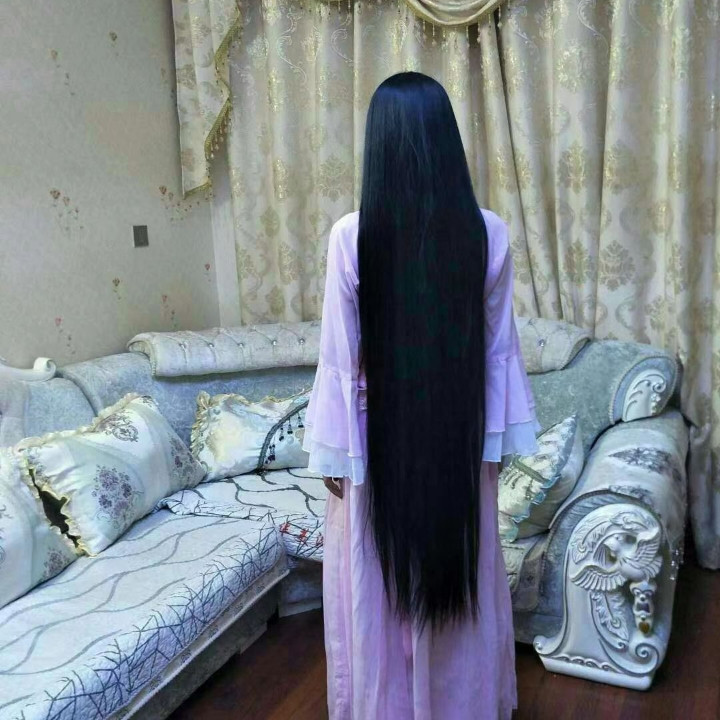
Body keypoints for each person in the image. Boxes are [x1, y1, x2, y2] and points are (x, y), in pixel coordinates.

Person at [302, 72, 539, 720]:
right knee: (458, 581)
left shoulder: (352, 235)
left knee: (376, 590)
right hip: (458, 440)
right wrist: (492, 447)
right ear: (446, 141)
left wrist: (335, 454)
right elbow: (498, 351)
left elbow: (338, 356)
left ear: (379, 144)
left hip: (375, 441)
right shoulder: (487, 231)